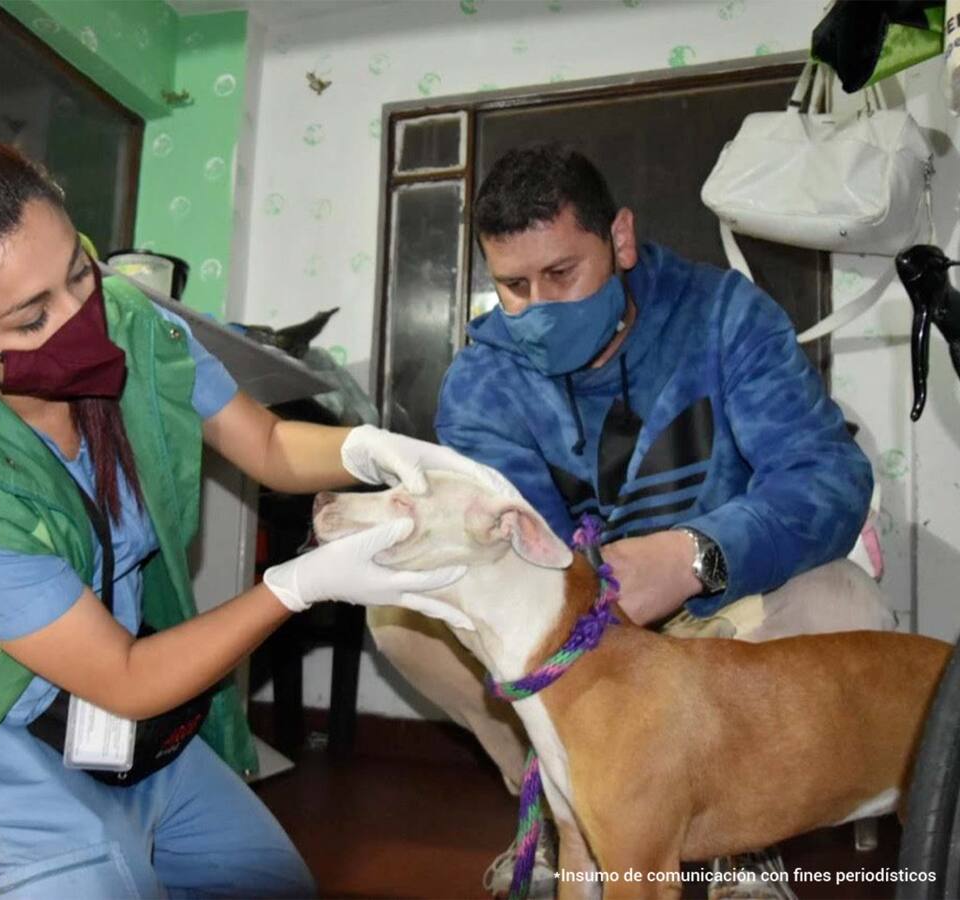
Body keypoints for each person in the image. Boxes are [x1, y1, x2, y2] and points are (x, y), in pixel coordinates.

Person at [0, 105, 509, 900]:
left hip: (103, 717)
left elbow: (271, 448)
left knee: (270, 886)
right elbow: (128, 677)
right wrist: (298, 585)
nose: (83, 321)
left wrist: (372, 448)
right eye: (31, 317)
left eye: (78, 271)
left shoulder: (128, 320)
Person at [367, 143, 894, 897]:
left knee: (846, 602)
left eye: (561, 274)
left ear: (619, 240)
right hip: (578, 636)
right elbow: (517, 560)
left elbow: (827, 478)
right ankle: (564, 803)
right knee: (399, 618)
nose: (538, 307)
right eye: (513, 287)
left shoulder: (724, 315)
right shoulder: (482, 383)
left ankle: (743, 831)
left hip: (719, 609)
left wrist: (695, 556)